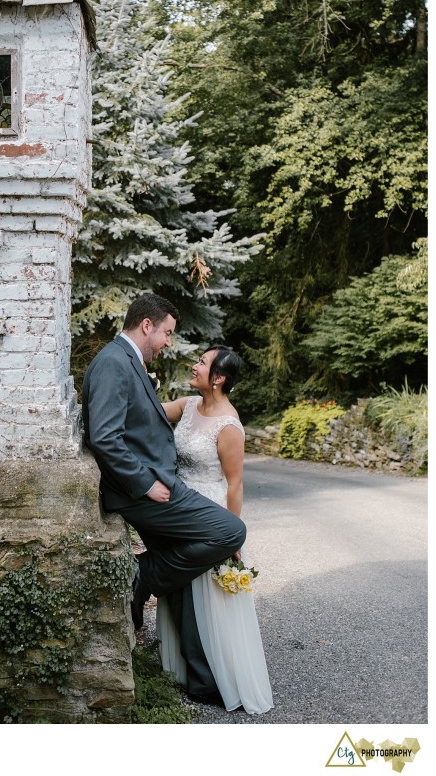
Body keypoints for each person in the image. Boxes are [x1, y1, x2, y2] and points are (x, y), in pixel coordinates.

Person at [82, 293, 247, 703]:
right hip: (147, 491)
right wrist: (142, 482)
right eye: (167, 333)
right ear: (146, 327)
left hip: (160, 485)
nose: (169, 342)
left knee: (187, 583)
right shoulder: (113, 363)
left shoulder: (128, 363)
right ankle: (142, 576)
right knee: (231, 531)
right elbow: (104, 435)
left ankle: (201, 679)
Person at [157, 345, 273, 714]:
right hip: (177, 508)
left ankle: (214, 677)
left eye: (203, 363)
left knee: (207, 598)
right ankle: (184, 667)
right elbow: (152, 412)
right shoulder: (189, 405)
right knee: (178, 586)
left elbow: (235, 484)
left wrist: (232, 535)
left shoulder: (229, 425)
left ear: (219, 378)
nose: (195, 365)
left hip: (208, 513)